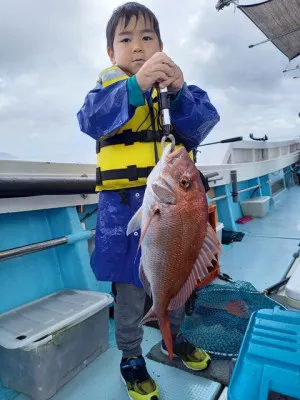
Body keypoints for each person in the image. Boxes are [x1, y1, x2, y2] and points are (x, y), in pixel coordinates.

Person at [77, 2, 220, 399]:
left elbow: (205, 121)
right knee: (130, 296)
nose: (137, 47)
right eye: (126, 40)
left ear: (161, 45)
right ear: (111, 53)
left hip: (173, 216)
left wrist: (179, 88)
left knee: (178, 284)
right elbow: (90, 120)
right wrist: (135, 86)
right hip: (122, 218)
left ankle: (174, 335)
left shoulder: (175, 94)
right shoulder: (104, 94)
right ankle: (131, 357)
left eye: (147, 38)